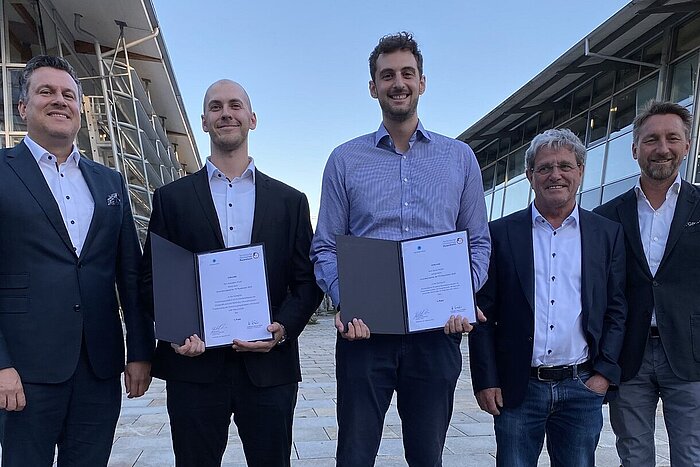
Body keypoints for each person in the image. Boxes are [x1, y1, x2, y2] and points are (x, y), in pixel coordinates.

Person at [310, 32, 491, 466]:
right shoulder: (344, 160)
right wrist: (345, 298)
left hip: (436, 335)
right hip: (365, 335)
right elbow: (324, 247)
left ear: (422, 82)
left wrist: (461, 294)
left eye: (407, 73)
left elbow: (478, 241)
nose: (398, 83)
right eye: (387, 75)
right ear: (373, 87)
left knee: (427, 457)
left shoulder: (460, 158)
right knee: (354, 455)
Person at [139, 79, 321, 467]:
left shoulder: (290, 201)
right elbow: (152, 279)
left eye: (235, 105)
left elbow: (306, 282)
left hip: (269, 368)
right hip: (194, 366)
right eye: (216, 106)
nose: (226, 113)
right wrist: (177, 331)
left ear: (252, 119)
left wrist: (283, 328)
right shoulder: (171, 199)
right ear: (203, 121)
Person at [0, 55, 153, 466]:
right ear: (22, 107)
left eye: (68, 94)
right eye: (46, 91)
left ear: (80, 111)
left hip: (99, 367)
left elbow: (130, 273)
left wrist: (139, 351)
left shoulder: (110, 182)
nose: (59, 100)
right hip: (25, 371)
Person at [469, 128, 627, 466]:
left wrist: (602, 376)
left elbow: (616, 308)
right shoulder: (500, 234)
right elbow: (483, 313)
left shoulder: (606, 234)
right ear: (529, 176)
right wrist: (486, 379)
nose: (555, 174)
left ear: (581, 172)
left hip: (581, 387)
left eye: (565, 166)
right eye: (544, 168)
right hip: (518, 389)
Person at [594, 101, 700, 466]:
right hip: (630, 356)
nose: (662, 148)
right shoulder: (606, 216)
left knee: (691, 455)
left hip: (691, 355)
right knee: (634, 456)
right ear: (635, 148)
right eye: (651, 139)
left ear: (687, 146)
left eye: (673, 138)